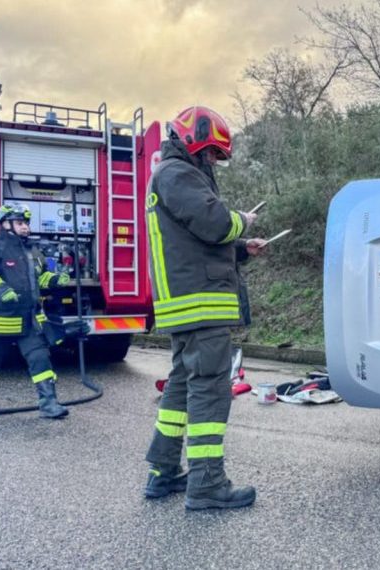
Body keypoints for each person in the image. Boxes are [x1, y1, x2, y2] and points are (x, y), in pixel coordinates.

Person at [143, 106, 264, 510]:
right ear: (192, 139)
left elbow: (196, 240)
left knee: (181, 385)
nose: (213, 160)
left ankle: (163, 470)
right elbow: (214, 223)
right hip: (200, 301)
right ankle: (207, 484)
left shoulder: (174, 175)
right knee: (210, 390)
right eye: (211, 152)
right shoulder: (178, 174)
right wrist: (242, 222)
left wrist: (241, 250)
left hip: (188, 302)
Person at [0, 204, 70, 419]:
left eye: (26, 223)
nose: (25, 228)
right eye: (20, 223)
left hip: (30, 320)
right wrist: (1, 289)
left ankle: (49, 403)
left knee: (40, 358)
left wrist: (54, 279)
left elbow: (40, 278)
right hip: (0, 319)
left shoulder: (33, 251)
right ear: (5, 224)